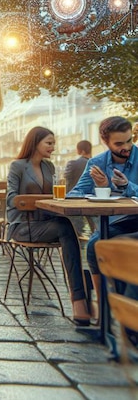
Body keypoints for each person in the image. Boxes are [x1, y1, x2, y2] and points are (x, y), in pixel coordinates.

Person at [6, 127, 91, 324]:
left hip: (46, 224)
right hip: (22, 227)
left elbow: (55, 196)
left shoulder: (49, 167)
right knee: (65, 227)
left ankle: (82, 295)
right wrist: (38, 200)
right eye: (49, 143)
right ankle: (79, 299)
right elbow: (11, 199)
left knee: (67, 226)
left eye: (53, 143)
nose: (53, 147)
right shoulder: (18, 166)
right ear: (35, 142)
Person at [67, 116, 138, 306]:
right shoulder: (96, 163)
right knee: (94, 246)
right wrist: (102, 188)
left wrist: (127, 186)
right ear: (105, 142)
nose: (127, 147)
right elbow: (75, 194)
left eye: (129, 140)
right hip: (113, 224)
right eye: (119, 143)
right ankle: (104, 306)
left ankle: (124, 308)